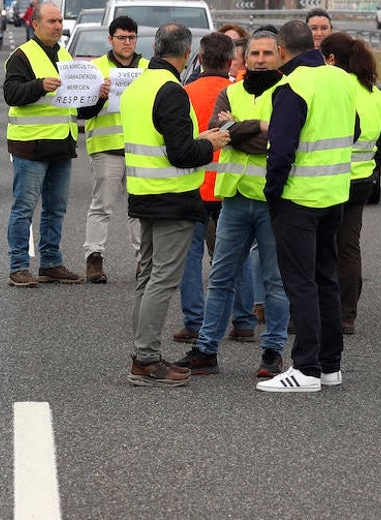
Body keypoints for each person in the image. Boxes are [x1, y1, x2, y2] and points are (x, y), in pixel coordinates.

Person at [173, 28, 291, 379]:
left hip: (272, 200)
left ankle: (272, 352)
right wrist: (258, 128)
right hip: (235, 199)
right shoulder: (230, 91)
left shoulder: (288, 93)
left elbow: (284, 143)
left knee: (274, 281)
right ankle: (207, 350)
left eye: (267, 53)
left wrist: (240, 129)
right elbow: (217, 136)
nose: (259, 59)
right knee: (221, 276)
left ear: (280, 55)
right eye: (254, 54)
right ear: (244, 57)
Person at [121, 23, 229, 387]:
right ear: (187, 56)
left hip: (143, 193)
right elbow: (181, 153)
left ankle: (142, 353)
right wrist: (212, 141)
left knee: (147, 276)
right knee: (162, 280)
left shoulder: (138, 87)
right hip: (172, 199)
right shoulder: (171, 90)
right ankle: (147, 360)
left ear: (154, 47)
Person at [257, 19, 356, 393]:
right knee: (325, 281)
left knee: (300, 284)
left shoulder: (291, 85)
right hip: (334, 195)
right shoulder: (341, 79)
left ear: (282, 51)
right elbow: (359, 130)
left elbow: (280, 150)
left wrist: (272, 192)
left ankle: (306, 368)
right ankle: (330, 366)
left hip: (298, 198)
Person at [177, 32, 257, 344]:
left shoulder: (184, 92)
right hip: (231, 186)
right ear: (230, 61)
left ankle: (194, 322)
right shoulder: (239, 93)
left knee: (191, 256)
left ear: (199, 59)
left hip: (194, 185)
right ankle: (244, 320)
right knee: (236, 257)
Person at [4, 1, 89, 287]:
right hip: (31, 146)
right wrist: (39, 85)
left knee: (56, 209)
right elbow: (12, 93)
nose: (57, 26)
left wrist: (96, 94)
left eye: (60, 21)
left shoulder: (63, 54)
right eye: (51, 21)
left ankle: (50, 262)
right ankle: (18, 266)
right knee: (24, 208)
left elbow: (72, 102)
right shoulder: (22, 56)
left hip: (61, 145)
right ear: (35, 24)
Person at [321, 32, 381, 335]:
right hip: (362, 178)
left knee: (320, 245)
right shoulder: (376, 93)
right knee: (349, 247)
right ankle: (347, 315)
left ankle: (315, 313)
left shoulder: (335, 87)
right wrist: (371, 166)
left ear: (333, 59)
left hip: (330, 176)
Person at [79, 14, 146, 283]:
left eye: (131, 37)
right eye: (121, 37)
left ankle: (145, 262)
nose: (127, 42)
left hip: (140, 149)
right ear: (110, 39)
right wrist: (99, 96)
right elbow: (83, 111)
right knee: (101, 206)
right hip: (106, 148)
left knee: (140, 208)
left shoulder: (149, 69)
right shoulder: (96, 68)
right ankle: (94, 259)